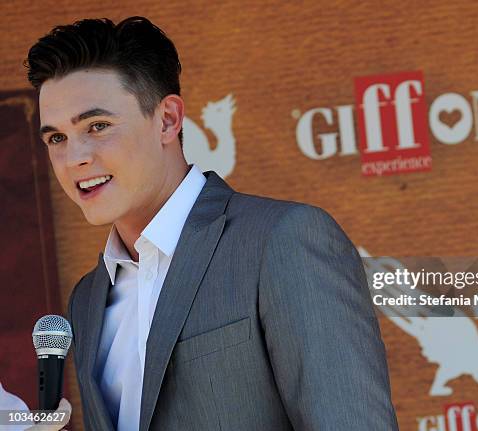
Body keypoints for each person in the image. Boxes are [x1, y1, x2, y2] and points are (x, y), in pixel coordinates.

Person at [25, 17, 398, 431]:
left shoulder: (281, 241)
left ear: (167, 120)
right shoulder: (88, 300)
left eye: (97, 126)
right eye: (56, 138)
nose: (75, 157)